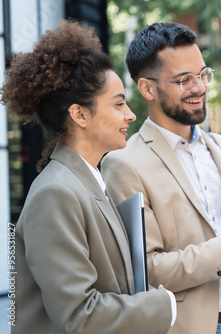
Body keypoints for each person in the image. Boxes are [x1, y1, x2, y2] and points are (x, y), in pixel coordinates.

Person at [101, 22, 221, 334]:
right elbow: (146, 271)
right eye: (183, 80)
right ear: (147, 88)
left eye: (202, 74)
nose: (199, 87)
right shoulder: (123, 164)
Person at [1, 20, 176, 334]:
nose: (130, 114)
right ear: (79, 114)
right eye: (119, 103)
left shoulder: (86, 182)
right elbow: (79, 315)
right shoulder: (55, 193)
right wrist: (164, 305)